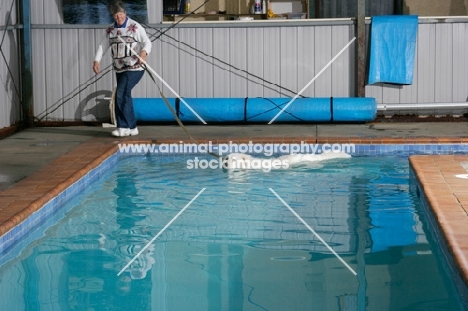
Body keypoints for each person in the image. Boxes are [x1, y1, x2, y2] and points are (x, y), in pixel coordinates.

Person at [93, 1, 152, 137]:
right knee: (125, 95)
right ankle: (132, 127)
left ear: (125, 13)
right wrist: (96, 60)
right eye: (115, 15)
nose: (118, 18)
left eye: (120, 14)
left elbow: (147, 42)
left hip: (135, 68)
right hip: (120, 68)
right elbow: (103, 46)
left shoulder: (135, 27)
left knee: (120, 93)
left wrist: (143, 53)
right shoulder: (110, 30)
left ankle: (123, 126)